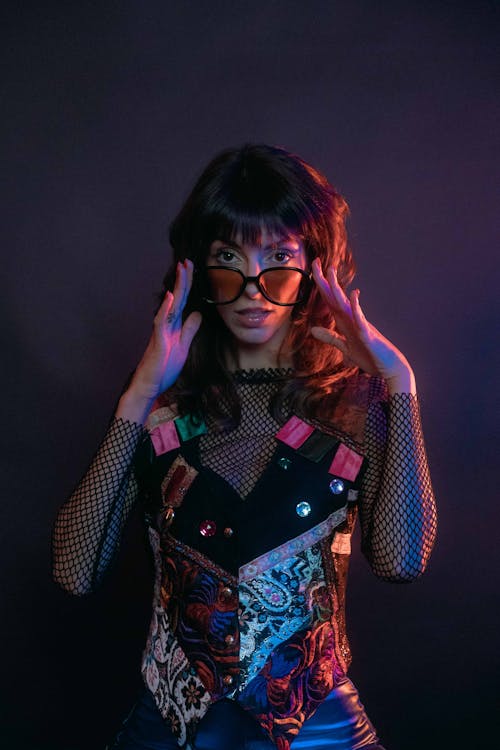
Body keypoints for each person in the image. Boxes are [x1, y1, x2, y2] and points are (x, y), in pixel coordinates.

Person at [52, 143, 437, 750]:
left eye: (279, 257)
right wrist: (140, 391)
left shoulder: (356, 405)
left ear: (315, 266)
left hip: (319, 732)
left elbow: (401, 562)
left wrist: (400, 385)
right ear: (198, 268)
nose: (254, 287)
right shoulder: (165, 410)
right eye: (228, 257)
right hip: (168, 734)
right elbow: (74, 571)